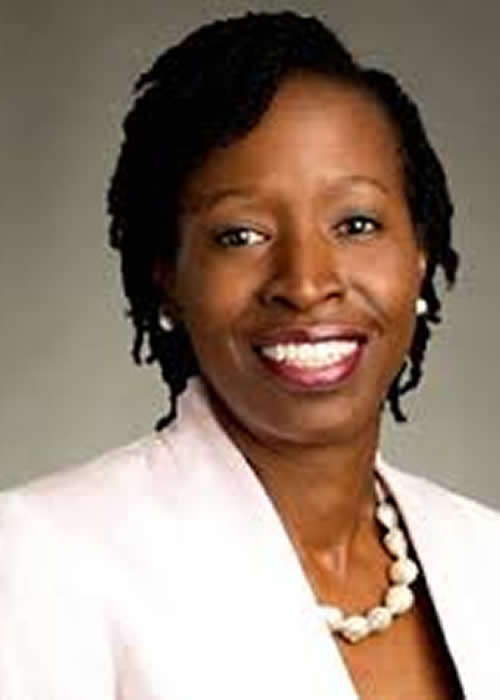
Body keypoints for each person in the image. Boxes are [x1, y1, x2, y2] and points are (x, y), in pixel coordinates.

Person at [1, 10, 499, 699]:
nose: (306, 282)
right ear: (169, 279)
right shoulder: (43, 559)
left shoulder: (486, 557)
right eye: (240, 235)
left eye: (356, 223)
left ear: (420, 254)